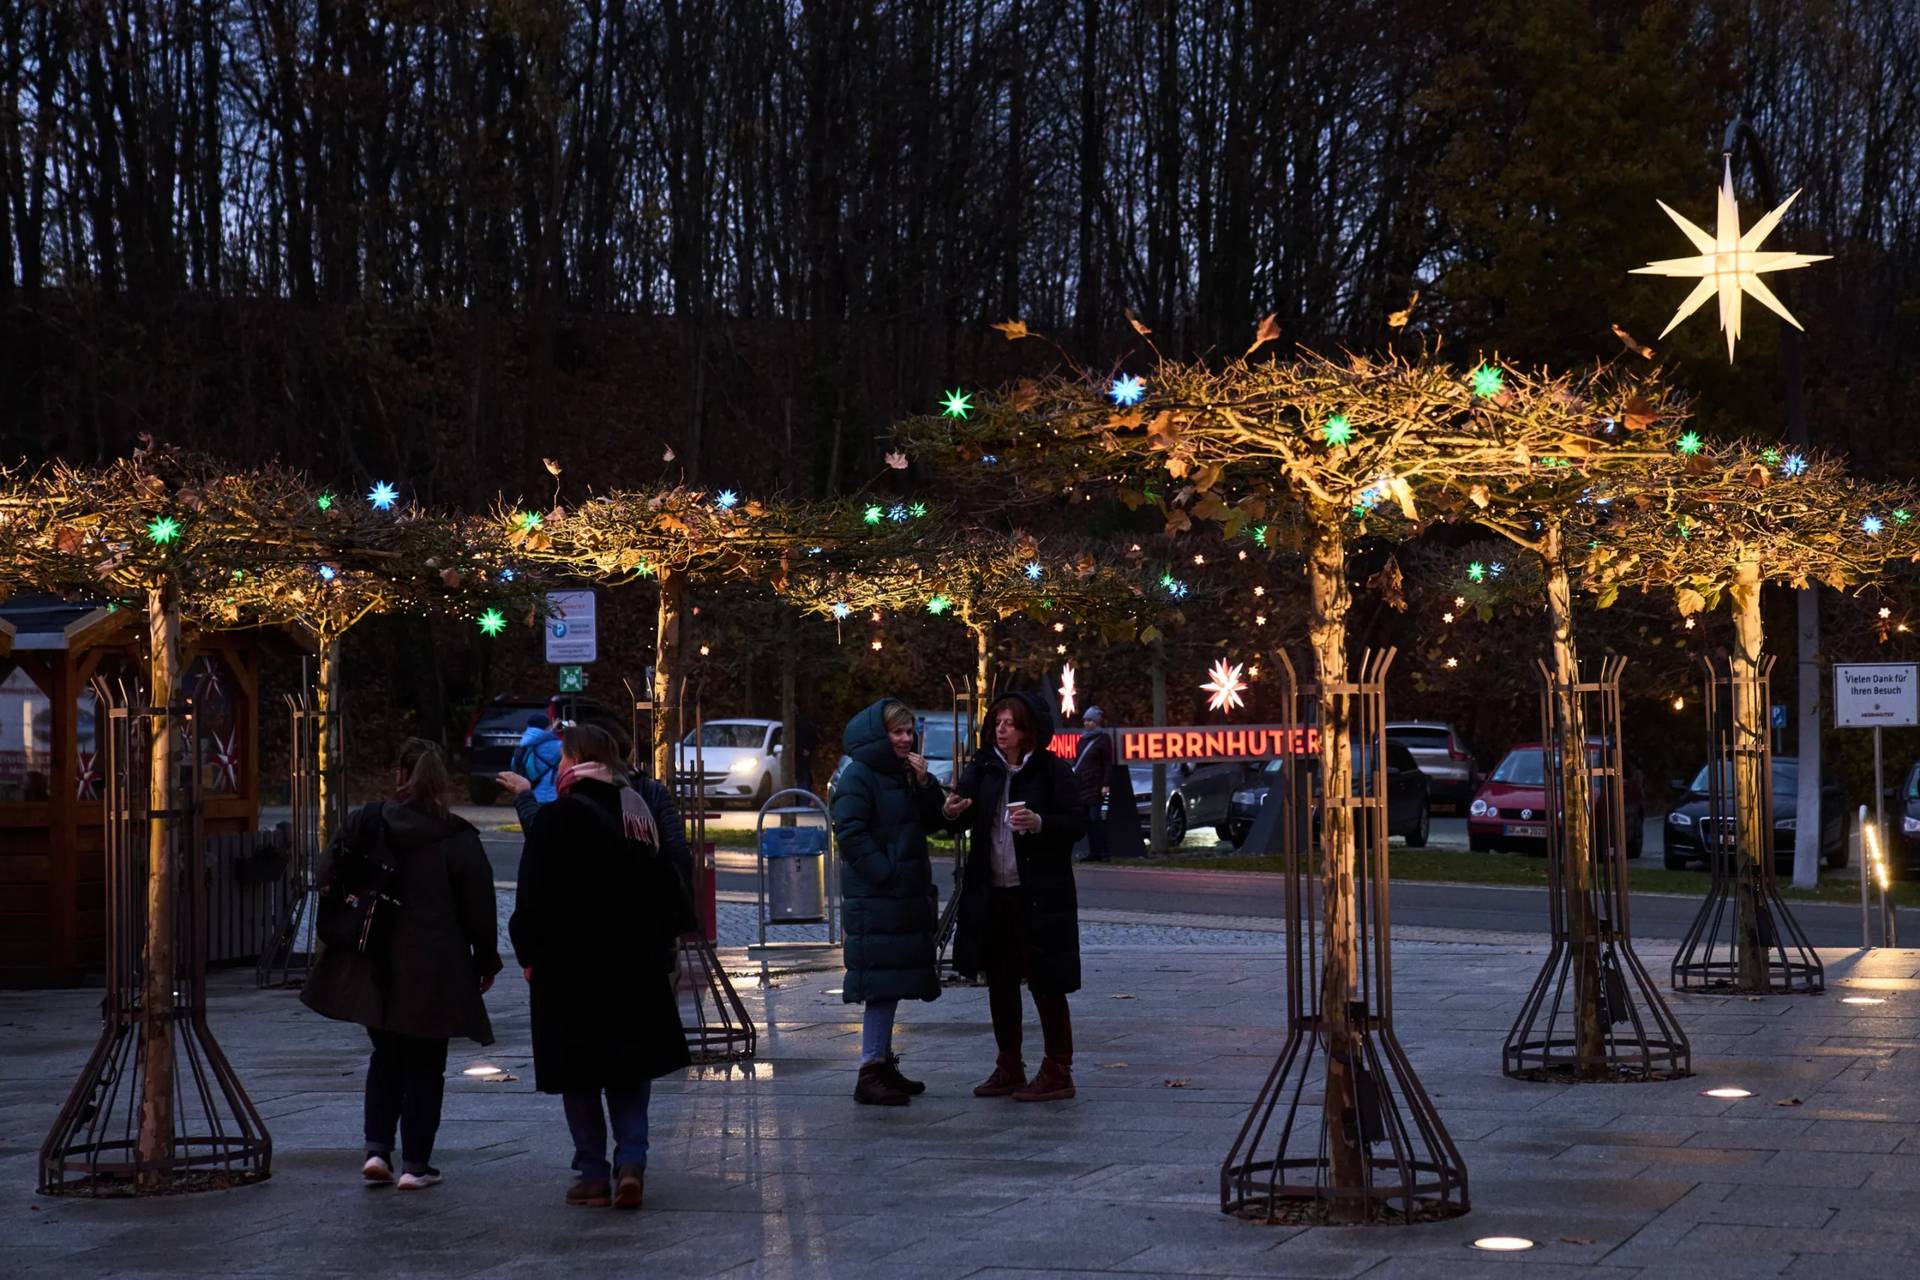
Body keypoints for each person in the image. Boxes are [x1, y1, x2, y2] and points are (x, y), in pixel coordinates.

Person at [508, 724, 694, 1211]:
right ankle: (631, 1162)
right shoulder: (638, 814)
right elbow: (666, 883)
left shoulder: (556, 819)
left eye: (564, 758)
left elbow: (531, 896)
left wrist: (528, 954)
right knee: (630, 1070)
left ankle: (591, 1172)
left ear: (574, 760)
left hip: (569, 968)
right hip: (634, 965)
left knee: (580, 1072)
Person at [302, 738, 502, 1190]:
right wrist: (486, 960)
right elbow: (479, 906)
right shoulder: (457, 837)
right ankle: (415, 1164)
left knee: (386, 1055)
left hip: (371, 958)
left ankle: (377, 1150)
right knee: (427, 1063)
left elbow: (327, 871)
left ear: (399, 776)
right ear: (440, 784)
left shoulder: (366, 821)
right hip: (434, 964)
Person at [942, 691, 1086, 1102]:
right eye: (997, 723)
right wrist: (951, 812)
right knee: (1000, 981)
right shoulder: (983, 769)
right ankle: (1009, 1064)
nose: (1000, 730)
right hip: (994, 893)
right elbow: (958, 815)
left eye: (1009, 724)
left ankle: (1058, 1068)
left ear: (1028, 731)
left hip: (1039, 894)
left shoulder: (1052, 771)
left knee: (1046, 981)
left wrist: (1041, 823)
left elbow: (1077, 824)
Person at [829, 699, 945, 1106]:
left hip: (897, 898)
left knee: (890, 983)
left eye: (909, 732)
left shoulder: (902, 774)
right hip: (877, 898)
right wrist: (886, 873)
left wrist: (928, 785)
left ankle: (880, 1063)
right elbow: (851, 831)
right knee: (879, 985)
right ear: (880, 735)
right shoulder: (860, 775)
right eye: (897, 732)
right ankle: (869, 1069)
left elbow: (931, 823)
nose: (905, 738)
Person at [1072, 706, 1113, 862]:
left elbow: (1107, 763)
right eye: (1085, 720)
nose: (1086, 723)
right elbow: (1077, 760)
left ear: (1096, 722)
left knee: (1096, 819)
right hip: (1083, 785)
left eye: (1089, 720)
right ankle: (1094, 852)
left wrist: (1105, 784)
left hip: (1096, 786)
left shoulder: (1103, 739)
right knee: (1087, 821)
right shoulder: (1082, 739)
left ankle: (1104, 852)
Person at [510, 713, 564, 805]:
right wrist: (572, 730)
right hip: (551, 794)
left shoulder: (524, 743)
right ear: (547, 726)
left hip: (530, 792)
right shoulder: (557, 745)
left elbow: (514, 765)